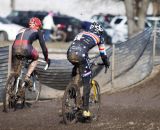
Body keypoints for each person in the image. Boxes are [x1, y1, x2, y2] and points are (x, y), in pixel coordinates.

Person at [67, 22, 110, 117]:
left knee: (76, 69)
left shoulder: (81, 33)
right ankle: (85, 110)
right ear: (99, 31)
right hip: (81, 55)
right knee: (87, 81)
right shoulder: (99, 37)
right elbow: (103, 53)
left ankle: (70, 95)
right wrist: (106, 62)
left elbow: (73, 45)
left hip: (70, 53)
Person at [12, 17, 50, 86]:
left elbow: (16, 41)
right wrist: (46, 58)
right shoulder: (38, 31)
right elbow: (44, 47)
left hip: (14, 48)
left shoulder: (22, 29)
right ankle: (27, 76)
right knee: (36, 58)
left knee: (16, 71)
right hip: (26, 48)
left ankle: (14, 83)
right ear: (38, 25)